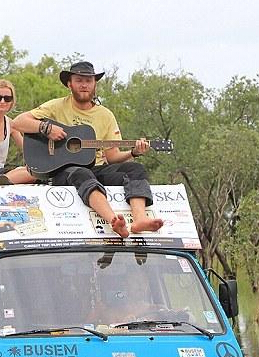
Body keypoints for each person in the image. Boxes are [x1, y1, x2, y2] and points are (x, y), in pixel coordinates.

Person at [12, 61, 164, 237]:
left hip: (97, 168)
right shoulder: (56, 106)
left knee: (135, 169)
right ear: (70, 83)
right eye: (79, 80)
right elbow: (18, 122)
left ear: (94, 84)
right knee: (81, 173)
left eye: (88, 81)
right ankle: (113, 220)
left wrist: (133, 152)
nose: (84, 85)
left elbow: (112, 156)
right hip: (63, 170)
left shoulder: (105, 115)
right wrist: (46, 128)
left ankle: (140, 219)